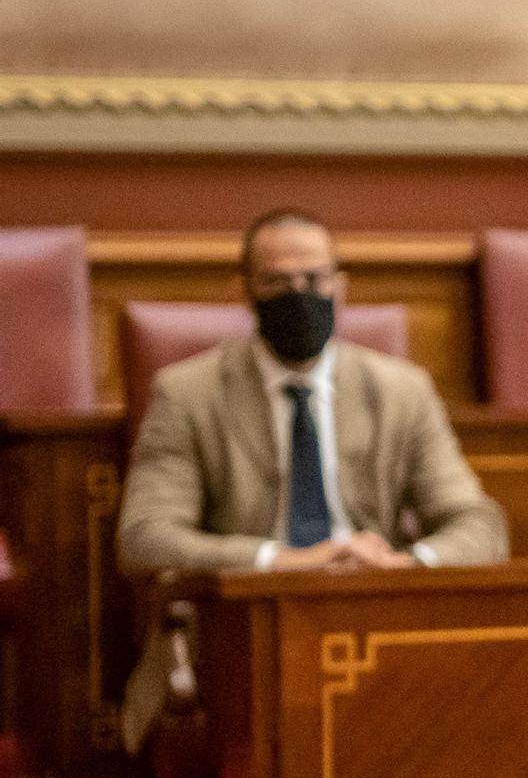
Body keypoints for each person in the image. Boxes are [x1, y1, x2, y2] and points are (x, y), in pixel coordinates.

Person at [118, 208, 507, 748]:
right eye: (278, 281)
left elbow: (480, 524)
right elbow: (145, 539)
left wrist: (405, 565)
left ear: (340, 288)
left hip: (374, 622)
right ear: (245, 290)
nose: (299, 295)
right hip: (246, 634)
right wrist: (282, 563)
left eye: (314, 280)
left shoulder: (401, 390)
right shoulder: (188, 394)